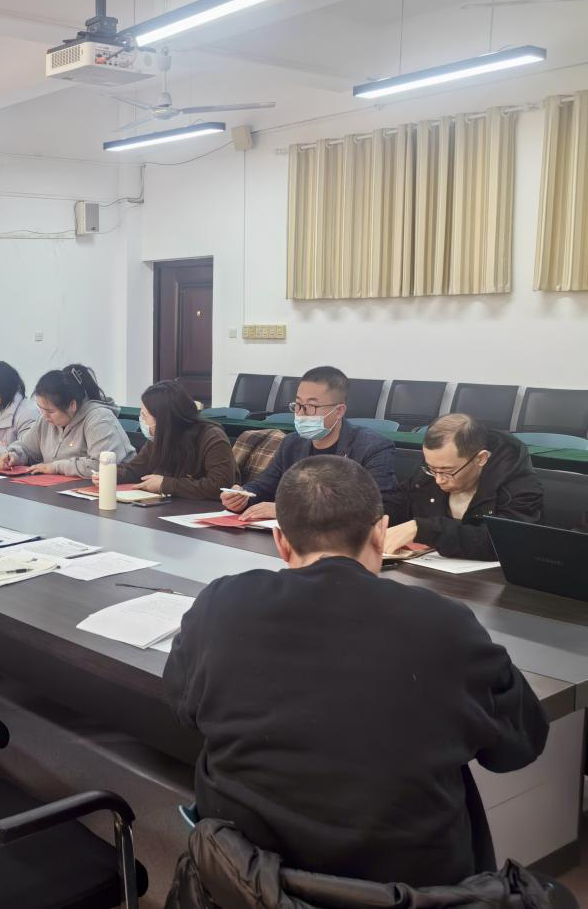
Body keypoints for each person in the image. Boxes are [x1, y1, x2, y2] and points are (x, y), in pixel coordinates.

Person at [165, 455, 547, 887]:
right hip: (412, 886)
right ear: (381, 533)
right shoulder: (445, 624)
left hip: (247, 879)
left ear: (280, 540)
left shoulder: (221, 603)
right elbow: (518, 745)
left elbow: (183, 708)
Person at [221, 366, 396, 521]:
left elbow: (379, 508)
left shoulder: (372, 447)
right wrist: (243, 495)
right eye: (298, 405)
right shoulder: (292, 443)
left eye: (311, 406)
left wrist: (290, 511)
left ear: (339, 411)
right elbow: (265, 485)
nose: (301, 413)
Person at [383, 413, 543, 560]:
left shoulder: (519, 484)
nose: (438, 480)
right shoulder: (435, 469)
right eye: (431, 468)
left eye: (447, 471)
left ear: (481, 458)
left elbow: (506, 540)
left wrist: (426, 530)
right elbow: (399, 501)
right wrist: (373, 516)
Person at [0, 364, 132, 478]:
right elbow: (26, 448)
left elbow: (102, 465)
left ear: (72, 405)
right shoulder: (45, 420)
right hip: (60, 489)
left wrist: (56, 467)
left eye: (50, 411)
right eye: (41, 409)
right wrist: (14, 456)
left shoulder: (99, 418)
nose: (44, 415)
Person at [108, 380, 236, 499]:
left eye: (144, 416)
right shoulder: (159, 437)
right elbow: (136, 469)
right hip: (171, 506)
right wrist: (108, 474)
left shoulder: (212, 437)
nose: (142, 421)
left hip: (204, 509)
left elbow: (220, 485)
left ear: (163, 419)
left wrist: (165, 484)